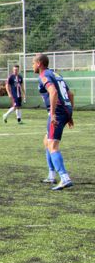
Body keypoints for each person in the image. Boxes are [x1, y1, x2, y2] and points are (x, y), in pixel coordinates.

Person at [34, 54, 74, 190]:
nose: (32, 66)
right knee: (47, 141)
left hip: (58, 111)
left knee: (52, 145)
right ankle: (51, 175)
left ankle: (64, 177)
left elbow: (53, 91)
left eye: (33, 63)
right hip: (66, 109)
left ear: (39, 63)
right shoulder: (55, 74)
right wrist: (70, 115)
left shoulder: (44, 75)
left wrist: (52, 114)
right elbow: (70, 94)